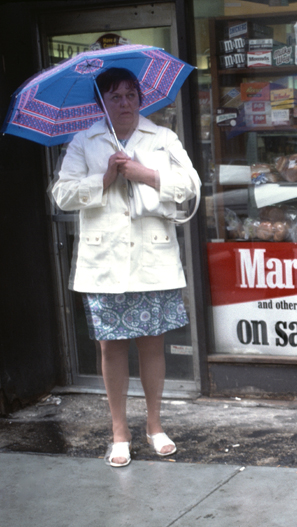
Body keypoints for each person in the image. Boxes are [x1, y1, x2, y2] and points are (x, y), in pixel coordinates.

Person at [52, 67, 200, 468]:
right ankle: (119, 430)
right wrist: (104, 179)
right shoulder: (85, 141)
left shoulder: (162, 137)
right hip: (105, 261)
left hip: (153, 257)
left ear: (140, 98)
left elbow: (190, 185)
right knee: (111, 347)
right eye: (115, 97)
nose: (125, 103)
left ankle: (154, 425)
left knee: (152, 343)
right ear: (101, 102)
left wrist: (146, 175)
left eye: (131, 95)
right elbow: (62, 194)